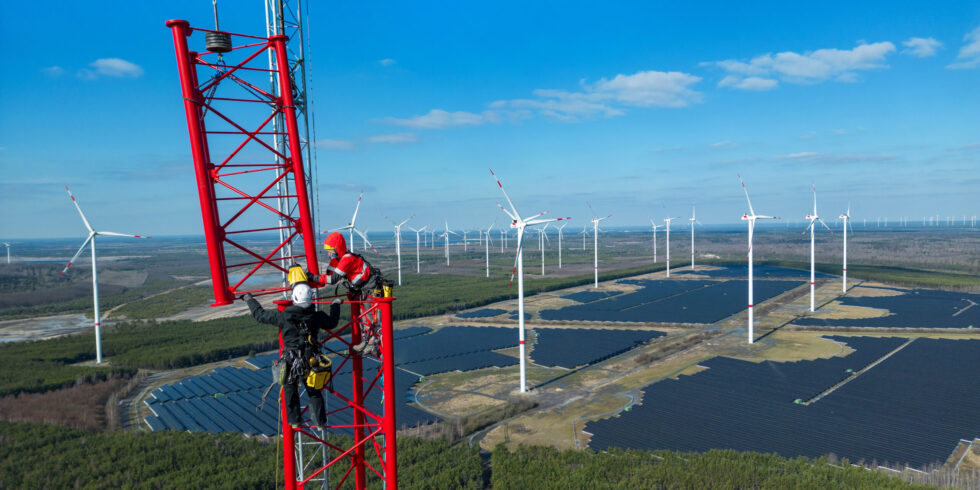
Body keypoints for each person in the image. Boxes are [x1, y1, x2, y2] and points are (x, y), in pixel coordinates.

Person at [243, 283, 340, 429]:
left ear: (294, 298)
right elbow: (332, 322)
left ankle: (294, 420)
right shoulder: (316, 316)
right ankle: (320, 422)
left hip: (291, 359)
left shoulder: (284, 316)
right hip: (311, 359)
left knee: (290, 388)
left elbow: (260, 315)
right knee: (314, 390)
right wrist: (336, 305)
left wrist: (248, 298)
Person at [313, 232, 383, 297]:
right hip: (361, 287)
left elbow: (332, 279)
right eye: (328, 251)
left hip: (370, 286)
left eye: (330, 251)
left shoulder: (346, 259)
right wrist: (318, 278)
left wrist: (313, 277)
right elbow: (329, 274)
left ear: (337, 249)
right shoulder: (336, 259)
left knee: (370, 309)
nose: (329, 253)